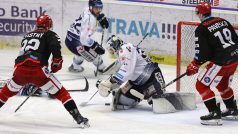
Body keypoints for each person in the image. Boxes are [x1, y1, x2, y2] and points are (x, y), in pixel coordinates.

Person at [0, 15, 89, 128]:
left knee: (4, 93)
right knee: (62, 94)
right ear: (49, 25)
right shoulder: (50, 34)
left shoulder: (27, 35)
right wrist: (55, 65)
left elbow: (21, 55)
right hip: (38, 71)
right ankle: (79, 118)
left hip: (19, 71)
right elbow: (56, 51)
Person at [186, 2, 238, 126]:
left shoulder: (202, 28)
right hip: (235, 58)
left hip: (221, 61)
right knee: (222, 85)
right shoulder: (223, 21)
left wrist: (195, 64)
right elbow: (236, 40)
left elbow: (202, 52)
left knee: (201, 85)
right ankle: (232, 110)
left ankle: (214, 113)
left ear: (199, 13)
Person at [96, 35, 166, 110]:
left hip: (151, 78)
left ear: (115, 45)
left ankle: (151, 94)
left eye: (111, 49)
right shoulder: (126, 49)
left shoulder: (125, 48)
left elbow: (127, 71)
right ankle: (141, 94)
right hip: (137, 82)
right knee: (121, 101)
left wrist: (110, 82)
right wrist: (110, 85)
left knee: (159, 104)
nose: (112, 52)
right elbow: (123, 70)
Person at [65, 0, 109, 73]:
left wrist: (100, 18)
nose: (99, 10)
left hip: (70, 38)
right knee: (94, 53)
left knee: (81, 53)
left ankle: (75, 67)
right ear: (91, 7)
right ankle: (102, 68)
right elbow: (83, 39)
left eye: (100, 8)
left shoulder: (87, 9)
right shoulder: (90, 20)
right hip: (75, 41)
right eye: (96, 8)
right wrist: (94, 45)